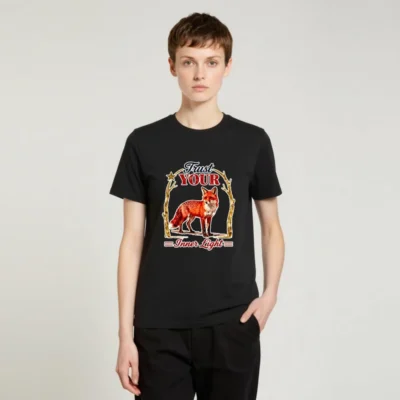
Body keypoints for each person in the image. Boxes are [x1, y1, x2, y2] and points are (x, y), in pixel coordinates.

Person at [109, 12, 285, 400]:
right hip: (158, 327)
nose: (200, 74)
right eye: (188, 62)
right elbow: (131, 240)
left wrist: (270, 295)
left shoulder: (253, 142)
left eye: (211, 62)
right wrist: (125, 335)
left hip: (232, 323)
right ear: (172, 65)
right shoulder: (143, 143)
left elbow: (271, 227)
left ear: (227, 67)